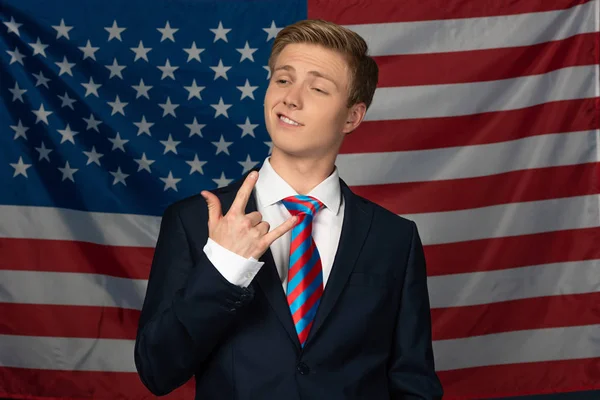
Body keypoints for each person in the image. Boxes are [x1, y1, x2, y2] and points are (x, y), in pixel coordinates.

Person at [134, 18, 444, 400]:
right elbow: (156, 370)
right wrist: (223, 269)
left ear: (352, 116)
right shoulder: (193, 220)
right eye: (283, 80)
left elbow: (414, 382)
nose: (291, 99)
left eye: (317, 88)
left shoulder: (395, 238)